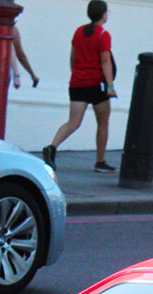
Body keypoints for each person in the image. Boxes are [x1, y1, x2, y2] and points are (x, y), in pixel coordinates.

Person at [43, 0, 117, 174]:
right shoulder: (103, 35)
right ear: (103, 15)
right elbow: (105, 60)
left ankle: (52, 147)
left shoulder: (78, 32)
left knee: (73, 122)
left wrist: (76, 73)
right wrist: (110, 85)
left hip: (77, 82)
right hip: (96, 84)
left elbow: (73, 58)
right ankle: (100, 161)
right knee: (103, 122)